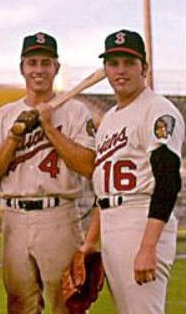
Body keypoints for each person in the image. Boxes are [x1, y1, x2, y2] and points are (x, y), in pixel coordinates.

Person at [0, 32, 96, 313]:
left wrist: (47, 125)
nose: (39, 70)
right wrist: (14, 137)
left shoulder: (75, 112)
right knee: (19, 304)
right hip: (15, 218)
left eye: (46, 62)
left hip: (58, 214)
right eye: (32, 62)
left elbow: (87, 166)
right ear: (22, 68)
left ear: (56, 67)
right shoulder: (6, 115)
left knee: (66, 305)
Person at [81, 29, 184, 314]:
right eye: (113, 63)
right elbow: (105, 190)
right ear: (105, 70)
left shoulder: (158, 109)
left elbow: (167, 181)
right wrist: (89, 243)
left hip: (141, 219)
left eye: (129, 62)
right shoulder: (110, 119)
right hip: (112, 222)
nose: (121, 70)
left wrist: (149, 246)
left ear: (145, 69)